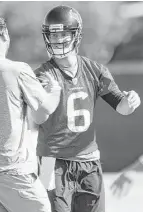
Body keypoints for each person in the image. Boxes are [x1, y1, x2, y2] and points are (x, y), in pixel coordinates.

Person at [32, 5, 141, 212]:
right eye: (53, 35)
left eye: (64, 34)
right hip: (50, 161)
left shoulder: (95, 70)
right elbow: (37, 118)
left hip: (89, 162)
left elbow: (122, 108)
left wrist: (131, 100)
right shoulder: (42, 75)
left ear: (76, 35)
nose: (58, 40)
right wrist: (46, 96)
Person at [0, 13, 62, 212]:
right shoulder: (17, 70)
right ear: (4, 35)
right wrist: (55, 90)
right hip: (9, 169)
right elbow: (45, 109)